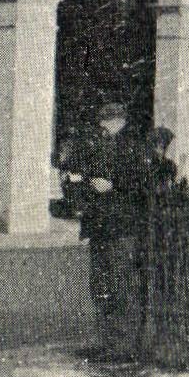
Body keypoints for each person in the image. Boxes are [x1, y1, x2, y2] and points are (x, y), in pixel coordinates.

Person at [67, 100, 149, 353]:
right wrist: (83, 180)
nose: (103, 127)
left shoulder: (131, 146)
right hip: (103, 226)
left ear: (119, 120)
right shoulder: (106, 145)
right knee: (103, 285)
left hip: (120, 227)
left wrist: (113, 186)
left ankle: (122, 344)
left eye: (107, 122)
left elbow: (141, 183)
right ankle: (109, 341)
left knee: (119, 284)